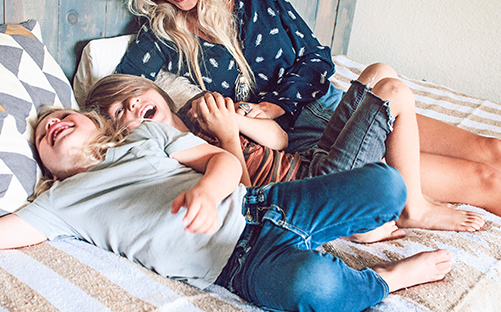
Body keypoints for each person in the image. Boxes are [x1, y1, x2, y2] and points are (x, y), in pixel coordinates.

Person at [0, 107, 452, 312]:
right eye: (42, 135)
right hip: (236, 265)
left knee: (389, 183)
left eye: (60, 116)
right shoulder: (60, 204)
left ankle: (340, 227)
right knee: (312, 286)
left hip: (262, 205)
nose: (51, 124)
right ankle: (385, 280)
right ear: (45, 166)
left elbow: (223, 159)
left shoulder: (147, 137)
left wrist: (210, 191)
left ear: (95, 121)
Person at [114, 0, 501, 202]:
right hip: (303, 144)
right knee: (484, 179)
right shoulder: (160, 36)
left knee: (491, 150)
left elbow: (316, 56)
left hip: (330, 102)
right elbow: (116, 93)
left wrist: (275, 105)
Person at [85, 70, 485, 231]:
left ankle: (378, 216)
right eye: (120, 112)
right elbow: (244, 199)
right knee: (394, 93)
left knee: (379, 73)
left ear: (155, 90)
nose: (133, 104)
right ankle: (414, 208)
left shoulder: (196, 112)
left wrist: (237, 120)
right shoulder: (170, 155)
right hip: (308, 187)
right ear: (120, 133)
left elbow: (279, 139)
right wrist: (227, 136)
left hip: (306, 158)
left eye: (135, 93)